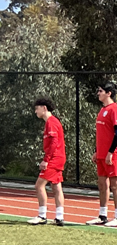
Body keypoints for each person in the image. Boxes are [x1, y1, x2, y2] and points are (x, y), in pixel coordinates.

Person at [86, 82, 117, 227]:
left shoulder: (115, 110)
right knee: (102, 185)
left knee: (115, 185)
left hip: (113, 154)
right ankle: (102, 215)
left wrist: (110, 152)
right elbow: (102, 134)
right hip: (102, 154)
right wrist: (97, 151)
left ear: (109, 93)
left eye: (100, 91)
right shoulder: (102, 110)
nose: (98, 93)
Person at [27, 97, 67, 227]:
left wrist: (46, 160)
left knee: (39, 185)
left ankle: (42, 216)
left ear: (44, 108)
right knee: (56, 187)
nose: (35, 111)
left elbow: (54, 142)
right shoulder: (51, 122)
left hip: (54, 159)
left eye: (37, 108)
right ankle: (59, 217)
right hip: (58, 158)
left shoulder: (51, 122)